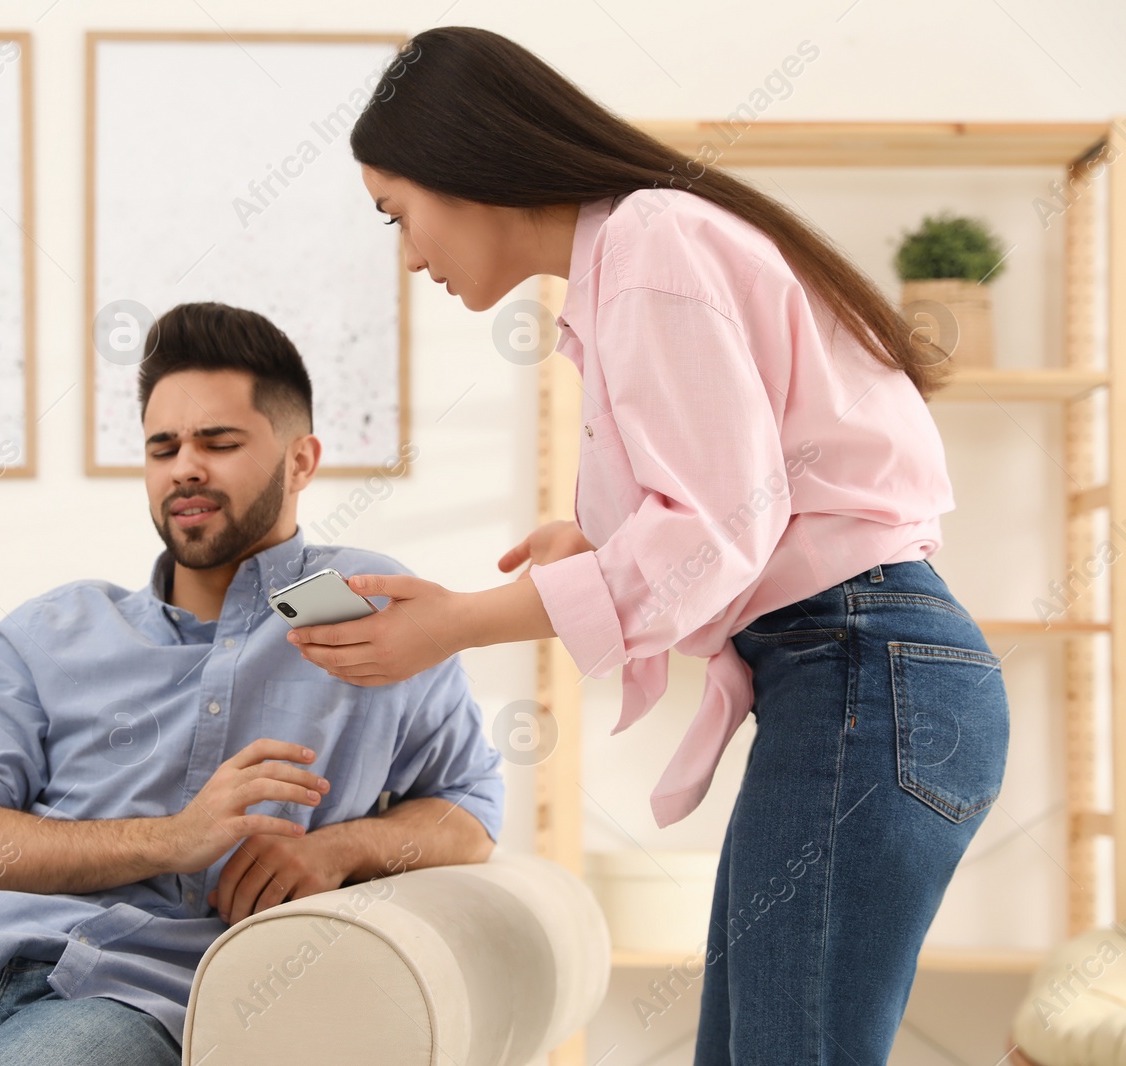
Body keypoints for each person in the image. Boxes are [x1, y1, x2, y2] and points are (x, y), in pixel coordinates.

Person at [285, 26, 1010, 1065]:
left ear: (465, 165)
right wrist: (596, 537)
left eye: (399, 214)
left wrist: (458, 626)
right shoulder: (636, 255)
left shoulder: (647, 246)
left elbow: (713, 527)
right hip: (865, 675)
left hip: (863, 673)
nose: (408, 255)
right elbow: (737, 495)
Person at [0, 301, 503, 1065]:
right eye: (162, 448)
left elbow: (470, 810)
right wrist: (172, 838)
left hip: (138, 991)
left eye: (218, 442)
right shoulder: (52, 631)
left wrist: (342, 848)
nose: (184, 468)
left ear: (301, 461)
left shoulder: (367, 607)